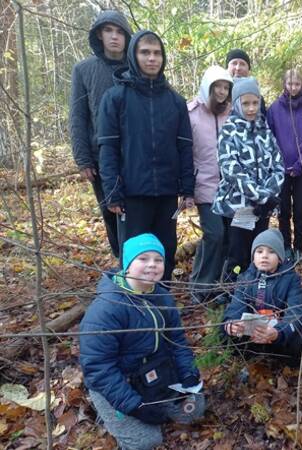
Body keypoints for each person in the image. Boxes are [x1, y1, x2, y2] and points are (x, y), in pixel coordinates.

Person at [79, 233, 205, 450]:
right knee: (146, 441)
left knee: (194, 410)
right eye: (143, 259)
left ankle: (150, 405)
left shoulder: (162, 296)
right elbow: (98, 368)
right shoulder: (106, 309)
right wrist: (135, 406)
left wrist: (188, 373)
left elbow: (177, 341)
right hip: (118, 381)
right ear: (127, 264)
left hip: (153, 372)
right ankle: (108, 413)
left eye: (158, 260)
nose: (152, 265)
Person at [98, 31, 194, 281]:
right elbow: (107, 148)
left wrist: (188, 188)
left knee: (166, 250)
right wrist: (112, 191)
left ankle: (162, 303)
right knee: (134, 254)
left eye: (157, 53)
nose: (152, 58)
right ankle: (133, 306)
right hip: (131, 193)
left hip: (166, 193)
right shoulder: (116, 97)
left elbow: (185, 146)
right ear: (133, 55)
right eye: (145, 52)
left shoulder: (175, 101)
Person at [69, 10, 132, 258]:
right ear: (99, 34)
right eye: (108, 31)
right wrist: (83, 157)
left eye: (119, 32)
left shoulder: (138, 66)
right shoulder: (84, 69)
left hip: (135, 154)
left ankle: (143, 265)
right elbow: (78, 115)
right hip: (101, 155)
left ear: (127, 36)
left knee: (137, 212)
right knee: (110, 211)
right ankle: (122, 263)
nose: (114, 37)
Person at [212, 77, 284, 281]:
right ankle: (232, 295)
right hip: (239, 208)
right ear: (236, 104)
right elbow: (231, 170)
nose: (251, 108)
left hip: (263, 207)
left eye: (255, 103)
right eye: (246, 103)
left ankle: (256, 292)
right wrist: (261, 196)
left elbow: (278, 164)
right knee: (238, 254)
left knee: (259, 251)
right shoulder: (229, 131)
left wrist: (270, 194)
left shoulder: (265, 129)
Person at [223, 229, 302, 366]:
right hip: (252, 335)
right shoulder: (246, 278)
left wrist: (278, 332)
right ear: (253, 256)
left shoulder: (291, 279)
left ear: (280, 257)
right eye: (259, 251)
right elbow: (236, 306)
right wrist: (232, 323)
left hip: (278, 334)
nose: (264, 256)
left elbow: (296, 312)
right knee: (224, 331)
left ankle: (280, 360)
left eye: (271, 252)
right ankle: (251, 356)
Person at [187, 65, 233, 300]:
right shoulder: (192, 113)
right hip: (204, 184)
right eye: (218, 87)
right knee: (214, 234)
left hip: (230, 187)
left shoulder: (232, 113)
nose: (222, 92)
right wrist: (186, 188)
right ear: (209, 87)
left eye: (226, 87)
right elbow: (184, 151)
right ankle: (200, 287)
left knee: (225, 238)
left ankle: (216, 285)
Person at [267, 69, 302, 263]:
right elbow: (270, 139)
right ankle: (286, 247)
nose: (294, 87)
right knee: (284, 211)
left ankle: (298, 247)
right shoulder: (274, 109)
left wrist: (299, 165)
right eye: (290, 84)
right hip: (281, 170)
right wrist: (279, 164)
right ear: (284, 85)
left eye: (297, 84)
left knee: (299, 210)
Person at [225, 48, 267, 116]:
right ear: (227, 67)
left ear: (248, 70)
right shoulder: (220, 96)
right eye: (234, 63)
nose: (238, 68)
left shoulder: (257, 97)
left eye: (242, 64)